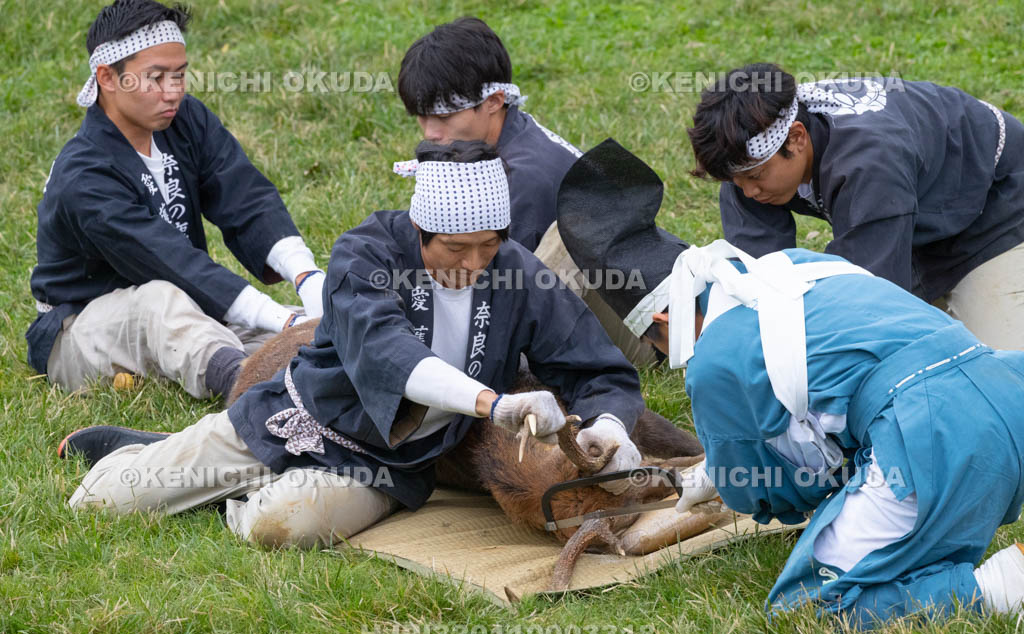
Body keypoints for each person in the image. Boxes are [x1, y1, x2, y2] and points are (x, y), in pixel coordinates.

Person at [63, 140, 646, 550]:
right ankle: (145, 458)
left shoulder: (517, 274)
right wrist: (494, 405)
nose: (473, 264)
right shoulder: (364, 254)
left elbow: (601, 371)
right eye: (455, 248)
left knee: (279, 526)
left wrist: (612, 428)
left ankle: (230, 494)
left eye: (488, 246)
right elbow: (390, 353)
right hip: (296, 414)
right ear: (420, 230)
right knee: (99, 503)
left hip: (388, 465)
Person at [560, 139, 1024, 628]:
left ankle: (1003, 584)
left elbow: (788, 489)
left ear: (662, 318)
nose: (662, 355)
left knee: (810, 608)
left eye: (656, 341)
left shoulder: (714, 361)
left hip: (934, 435)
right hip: (1005, 386)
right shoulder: (799, 264)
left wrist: (729, 478)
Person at [28, 0, 326, 400]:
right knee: (162, 300)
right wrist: (282, 317)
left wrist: (307, 277)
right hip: (82, 328)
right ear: (107, 77)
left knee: (294, 335)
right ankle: (245, 386)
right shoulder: (84, 175)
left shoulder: (185, 119)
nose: (173, 92)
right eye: (155, 78)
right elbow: (166, 260)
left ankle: (310, 371)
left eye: (180, 75)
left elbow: (245, 196)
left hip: (185, 303)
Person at [687, 63, 1024, 350]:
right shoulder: (748, 160)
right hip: (906, 211)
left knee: (1006, 375)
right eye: (736, 182)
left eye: (756, 177)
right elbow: (761, 281)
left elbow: (864, 305)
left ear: (797, 138)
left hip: (995, 206)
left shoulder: (868, 164)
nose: (748, 193)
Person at [397, 17, 655, 364]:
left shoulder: (523, 177)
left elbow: (497, 294)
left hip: (640, 337)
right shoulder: (502, 141)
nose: (429, 132)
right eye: (421, 116)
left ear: (494, 100)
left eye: (444, 117)